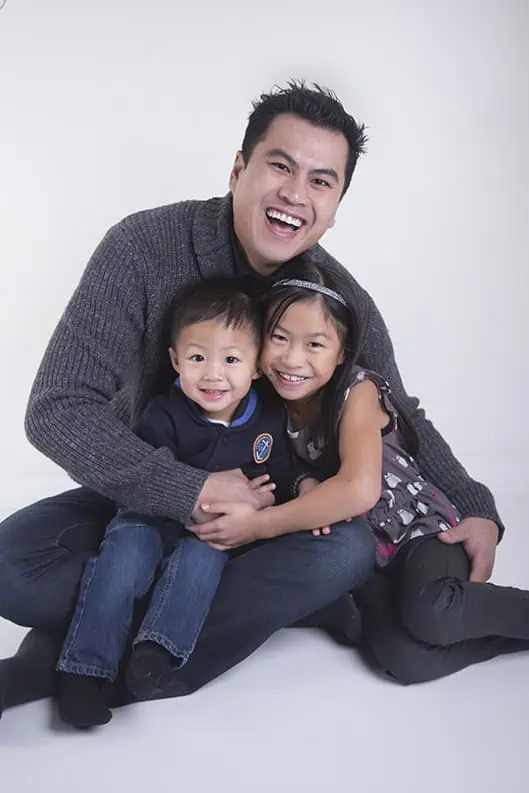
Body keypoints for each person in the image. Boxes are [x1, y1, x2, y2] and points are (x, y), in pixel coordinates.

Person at [0, 80, 502, 718]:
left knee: (343, 552)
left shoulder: (337, 301)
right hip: (148, 498)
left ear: (336, 206)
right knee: (12, 566)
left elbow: (400, 411)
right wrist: (190, 491)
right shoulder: (142, 248)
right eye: (280, 165)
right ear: (239, 168)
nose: (296, 194)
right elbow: (58, 408)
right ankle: (246, 610)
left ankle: (88, 663)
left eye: (322, 181)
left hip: (279, 520)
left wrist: (476, 506)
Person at [193, 261, 529, 680]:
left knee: (431, 614)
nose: (292, 359)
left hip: (419, 531)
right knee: (401, 659)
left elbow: (358, 490)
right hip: (364, 556)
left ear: (341, 355)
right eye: (278, 338)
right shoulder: (263, 400)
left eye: (314, 345)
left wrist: (257, 526)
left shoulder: (358, 390)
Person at [56, 278, 343, 729]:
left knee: (202, 560)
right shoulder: (163, 414)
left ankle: (156, 652)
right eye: (197, 358)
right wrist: (194, 493)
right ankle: (82, 672)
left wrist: (305, 485)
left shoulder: (266, 415)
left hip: (213, 531)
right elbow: (148, 476)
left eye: (231, 360)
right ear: (175, 362)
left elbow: (282, 470)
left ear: (255, 367)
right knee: (124, 561)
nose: (213, 375)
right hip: (148, 518)